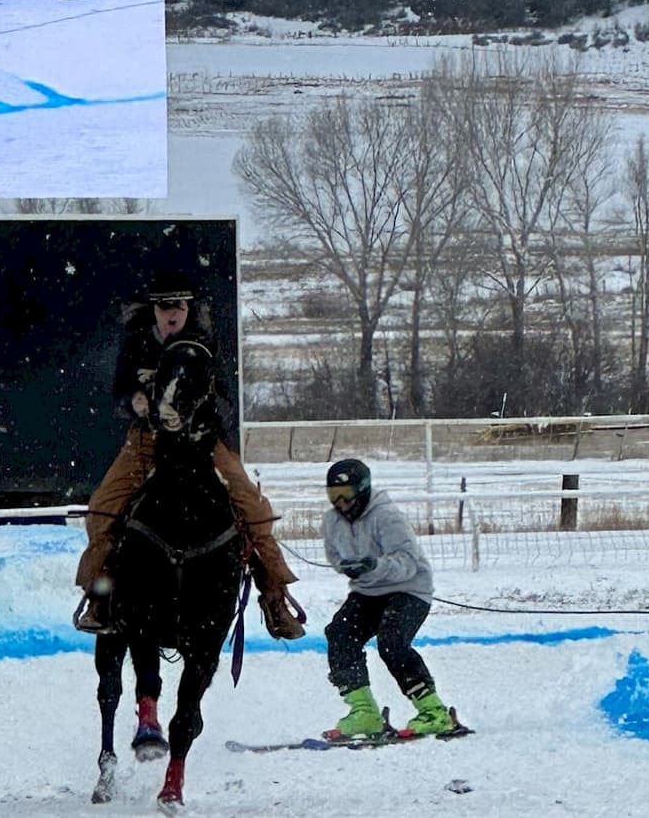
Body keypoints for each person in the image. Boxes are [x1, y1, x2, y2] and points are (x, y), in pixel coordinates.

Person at [74, 268, 306, 640]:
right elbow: (120, 392)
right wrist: (133, 401)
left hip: (201, 440)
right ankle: (99, 594)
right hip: (147, 440)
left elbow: (226, 400)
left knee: (253, 507)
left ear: (188, 308)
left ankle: (275, 596)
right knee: (103, 507)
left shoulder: (204, 344)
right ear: (153, 310)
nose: (172, 313)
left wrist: (201, 411)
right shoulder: (136, 344)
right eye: (165, 306)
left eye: (179, 306)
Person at [319, 458, 455, 740]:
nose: (340, 503)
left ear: (363, 489)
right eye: (334, 495)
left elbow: (408, 562)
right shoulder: (331, 521)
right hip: (367, 591)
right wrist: (346, 567)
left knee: (392, 642)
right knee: (340, 635)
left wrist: (375, 566)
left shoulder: (387, 517)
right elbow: (334, 556)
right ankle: (364, 713)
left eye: (346, 494)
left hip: (409, 589)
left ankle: (434, 712)